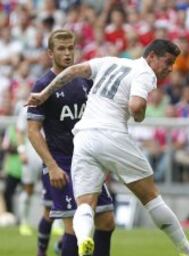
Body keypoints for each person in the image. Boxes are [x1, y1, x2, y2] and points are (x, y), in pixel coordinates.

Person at [26, 39, 189, 256]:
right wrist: (140, 116)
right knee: (151, 197)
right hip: (111, 134)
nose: (170, 69)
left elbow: (75, 70)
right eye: (168, 62)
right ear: (151, 56)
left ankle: (84, 240)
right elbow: (136, 105)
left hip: (84, 137)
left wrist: (43, 94)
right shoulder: (145, 73)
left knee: (85, 204)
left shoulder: (110, 62)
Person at [27, 29, 115, 256]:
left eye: (71, 48)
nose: (67, 54)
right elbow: (33, 131)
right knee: (74, 229)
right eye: (61, 49)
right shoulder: (43, 85)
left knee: (106, 221)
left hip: (88, 160)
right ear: (50, 53)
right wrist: (52, 166)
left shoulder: (85, 80)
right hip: (62, 163)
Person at [16, 105, 43, 236]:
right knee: (28, 189)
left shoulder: (54, 103)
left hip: (47, 153)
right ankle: (24, 222)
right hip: (31, 154)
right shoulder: (26, 109)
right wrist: (21, 151)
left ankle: (57, 223)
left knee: (53, 189)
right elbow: (20, 131)